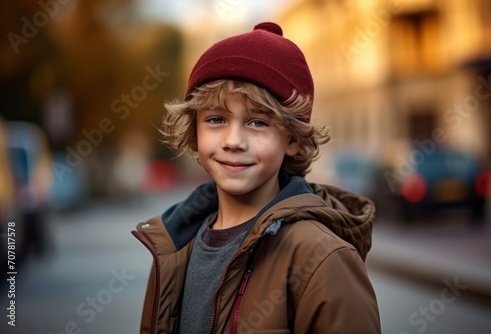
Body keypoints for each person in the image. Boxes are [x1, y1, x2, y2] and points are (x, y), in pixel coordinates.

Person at [132, 22, 381, 334]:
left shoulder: (323, 259)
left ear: (292, 138)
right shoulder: (174, 246)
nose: (233, 140)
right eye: (216, 119)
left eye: (258, 122)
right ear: (194, 131)